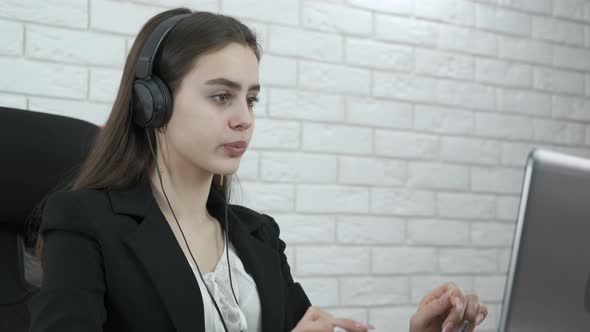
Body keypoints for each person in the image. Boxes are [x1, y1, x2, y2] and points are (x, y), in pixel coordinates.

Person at [28, 8, 488, 332]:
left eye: (251, 99)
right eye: (221, 96)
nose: (244, 118)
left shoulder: (257, 236)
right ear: (154, 104)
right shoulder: (85, 221)